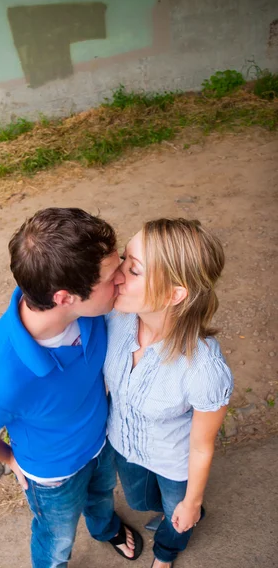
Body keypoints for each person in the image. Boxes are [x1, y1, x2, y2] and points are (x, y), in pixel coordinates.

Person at [0, 207, 143, 568]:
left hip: (102, 441)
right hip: (53, 475)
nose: (121, 279)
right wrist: (8, 458)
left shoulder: (93, 311)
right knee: (57, 538)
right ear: (64, 297)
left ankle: (104, 528)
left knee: (102, 496)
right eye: (112, 275)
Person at [104, 218, 234, 568]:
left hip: (174, 463)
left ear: (174, 294)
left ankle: (166, 552)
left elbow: (201, 445)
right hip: (124, 447)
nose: (116, 275)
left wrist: (192, 501)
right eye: (123, 261)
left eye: (133, 270)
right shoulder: (114, 320)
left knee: (179, 516)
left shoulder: (204, 369)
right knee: (141, 500)